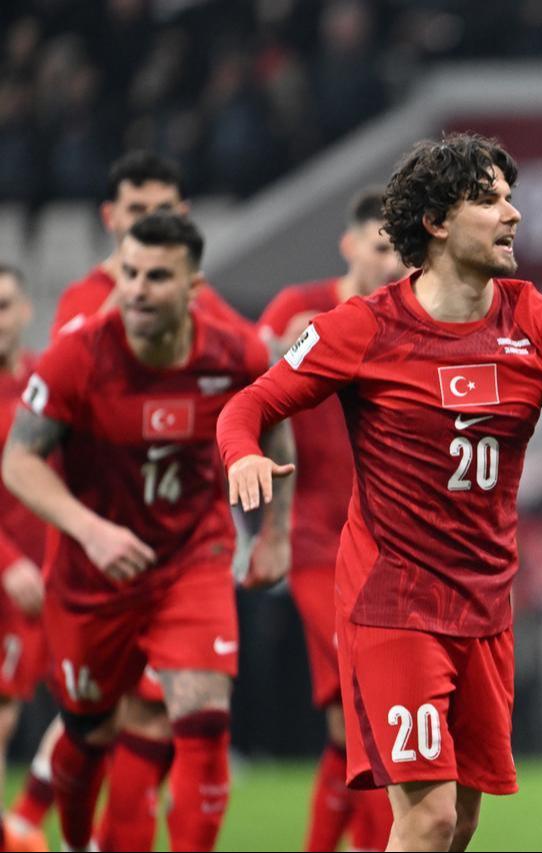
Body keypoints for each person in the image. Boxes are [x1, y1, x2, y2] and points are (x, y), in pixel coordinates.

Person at [216, 133, 542, 852]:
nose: (513, 214)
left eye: (511, 198)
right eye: (489, 200)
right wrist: (243, 455)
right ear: (435, 221)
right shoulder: (365, 325)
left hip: (486, 602)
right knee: (424, 819)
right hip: (391, 600)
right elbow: (248, 405)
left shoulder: (537, 319)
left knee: (459, 822)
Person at [1, 213, 292, 853]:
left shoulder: (231, 353)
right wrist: (91, 530)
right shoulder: (79, 355)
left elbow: (276, 417)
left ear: (194, 287)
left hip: (192, 559)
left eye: (157, 277)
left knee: (203, 718)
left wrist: (275, 534)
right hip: (92, 577)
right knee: (87, 734)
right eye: (129, 272)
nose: (135, 288)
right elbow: (17, 461)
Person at [257, 186, 403, 852]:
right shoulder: (299, 310)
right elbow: (251, 392)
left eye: (401, 249)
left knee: (350, 725)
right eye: (379, 246)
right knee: (368, 703)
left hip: (389, 544)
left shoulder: (408, 321)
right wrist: (277, 353)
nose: (392, 262)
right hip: (318, 539)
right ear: (349, 245)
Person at [52, 149, 248, 337]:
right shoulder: (80, 298)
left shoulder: (196, 295)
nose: (153, 220)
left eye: (164, 209)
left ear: (183, 215)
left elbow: (258, 354)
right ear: (109, 216)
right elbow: (62, 368)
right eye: (137, 209)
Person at [0, 266, 50, 852]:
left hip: (57, 579)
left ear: (25, 311)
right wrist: (9, 560)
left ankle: (26, 819)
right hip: (11, 578)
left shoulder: (44, 382)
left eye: (5, 305)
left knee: (100, 708)